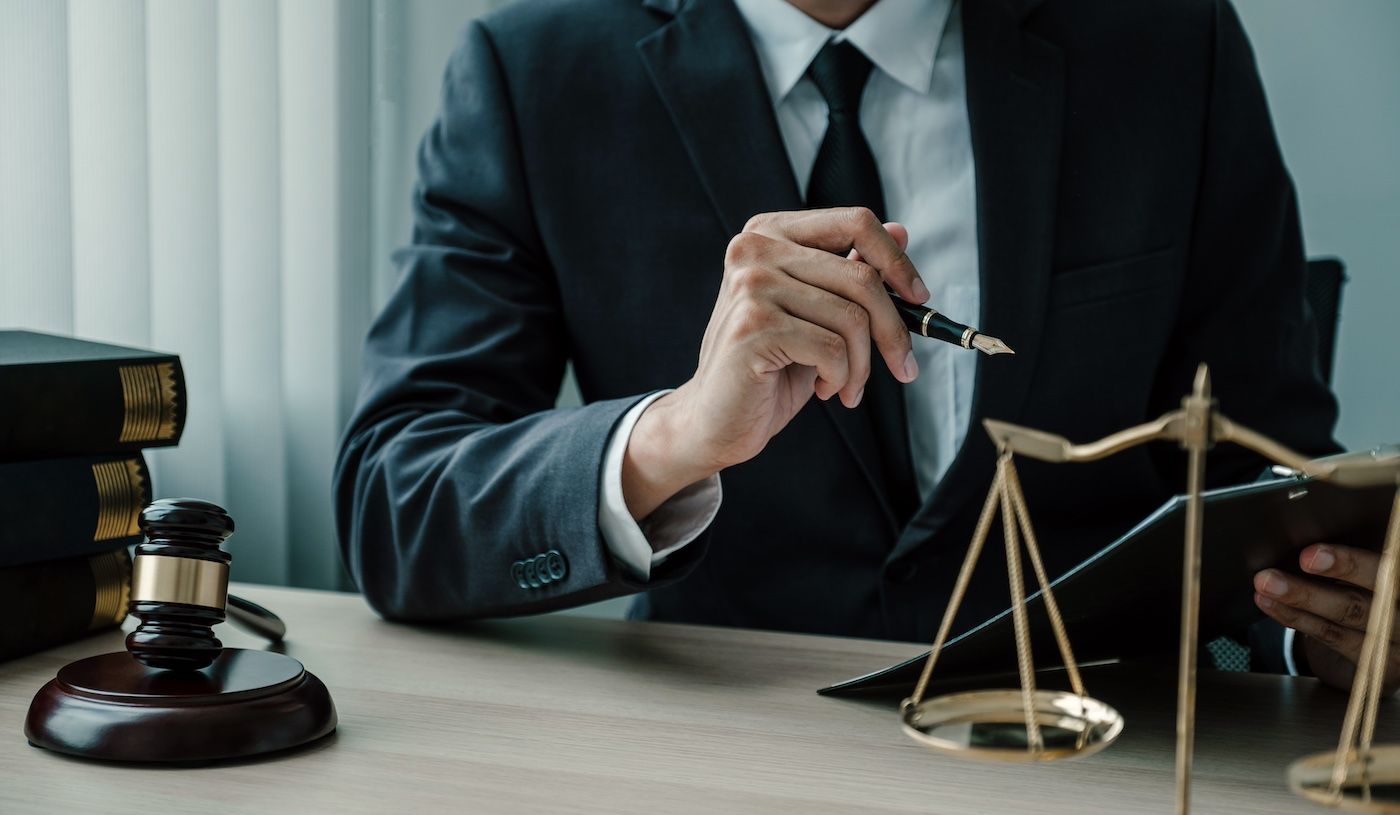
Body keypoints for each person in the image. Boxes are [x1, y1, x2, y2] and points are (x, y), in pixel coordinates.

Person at [333, 0, 1394, 693]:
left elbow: (1266, 464)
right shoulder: (534, 71)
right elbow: (394, 505)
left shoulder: (1167, 42)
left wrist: (1326, 624)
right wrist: (676, 435)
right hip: (722, 764)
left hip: (1097, 753)